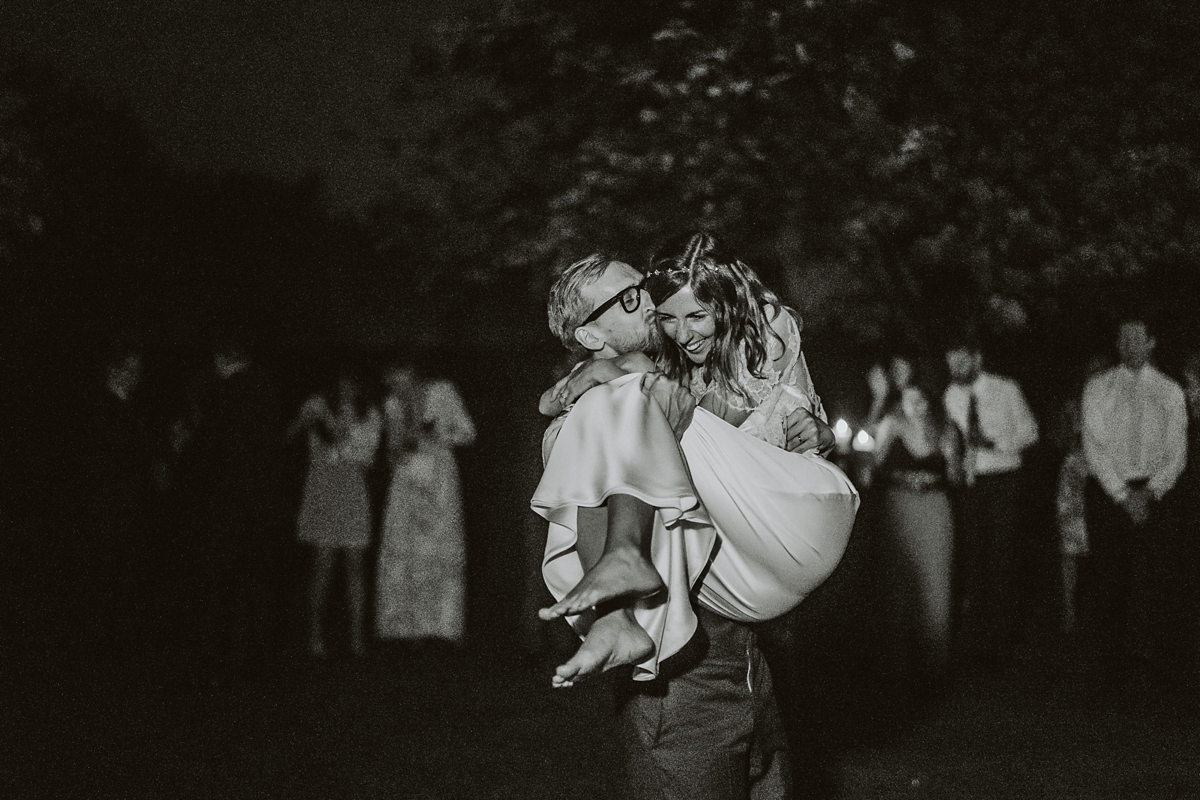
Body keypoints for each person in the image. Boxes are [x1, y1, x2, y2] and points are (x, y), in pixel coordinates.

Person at [533, 234, 858, 799]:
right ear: (589, 335)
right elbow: (560, 416)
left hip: (751, 658)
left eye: (644, 289)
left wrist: (814, 434)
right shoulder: (593, 411)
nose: (652, 305)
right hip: (682, 676)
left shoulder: (678, 371)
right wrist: (604, 380)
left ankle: (617, 589)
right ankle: (614, 597)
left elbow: (748, 419)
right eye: (632, 299)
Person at [1081, 316, 1187, 684]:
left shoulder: (1170, 391)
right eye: (1123, 340)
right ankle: (1111, 659)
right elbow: (1093, 447)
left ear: (1151, 343)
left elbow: (1177, 452)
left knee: (1157, 575)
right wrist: (1122, 494)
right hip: (1112, 492)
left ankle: (1154, 657)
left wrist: (1151, 491)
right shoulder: (1098, 388)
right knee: (1111, 575)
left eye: (1137, 340)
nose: (1130, 347)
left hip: (1156, 492)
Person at [942, 336, 1039, 671]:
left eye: (961, 362)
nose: (955, 369)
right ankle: (976, 640)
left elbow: (1031, 432)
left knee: (1000, 556)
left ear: (977, 359)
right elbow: (953, 436)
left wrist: (994, 443)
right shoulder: (951, 395)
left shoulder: (1006, 389)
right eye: (950, 363)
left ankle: (1000, 641)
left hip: (1002, 480)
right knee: (974, 558)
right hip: (969, 485)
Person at [375, 363, 476, 647]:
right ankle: (406, 627)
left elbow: (468, 433)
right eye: (392, 383)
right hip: (406, 479)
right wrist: (399, 447)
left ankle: (443, 625)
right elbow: (391, 453)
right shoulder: (392, 404)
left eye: (401, 381)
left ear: (413, 373)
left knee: (440, 549)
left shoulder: (443, 392)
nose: (397, 388)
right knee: (404, 551)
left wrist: (437, 435)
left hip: (439, 478)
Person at [872, 382, 962, 694]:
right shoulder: (891, 425)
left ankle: (934, 670)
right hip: (900, 507)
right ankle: (895, 670)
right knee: (901, 585)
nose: (915, 407)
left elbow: (956, 479)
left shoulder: (946, 429)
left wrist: (952, 459)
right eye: (908, 400)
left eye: (921, 400)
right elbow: (871, 470)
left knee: (936, 585)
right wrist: (900, 475)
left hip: (935, 508)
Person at [289, 369, 382, 658]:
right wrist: (306, 421)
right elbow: (289, 434)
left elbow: (366, 459)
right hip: (322, 489)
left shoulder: (370, 414)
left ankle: (356, 637)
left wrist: (341, 433)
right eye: (341, 379)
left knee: (355, 566)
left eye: (352, 381)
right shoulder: (316, 403)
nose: (346, 386)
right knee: (322, 566)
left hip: (353, 490)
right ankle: (314, 636)